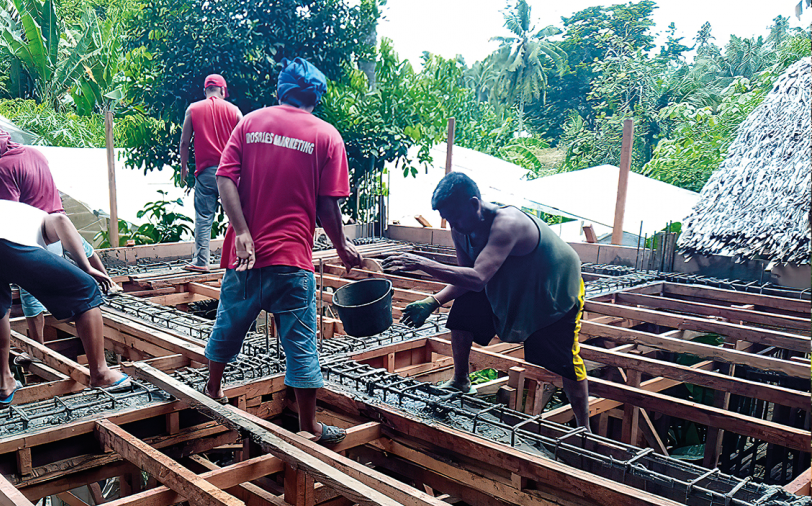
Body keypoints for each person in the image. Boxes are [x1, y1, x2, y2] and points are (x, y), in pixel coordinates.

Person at [205, 58, 363, 445]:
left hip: (244, 259)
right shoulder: (326, 137)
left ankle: (212, 389)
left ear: (280, 91)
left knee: (227, 327)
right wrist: (343, 249)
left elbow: (224, 177)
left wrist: (242, 231)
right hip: (292, 262)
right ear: (316, 98)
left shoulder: (250, 122)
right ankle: (308, 427)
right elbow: (328, 207)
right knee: (301, 345)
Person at [383, 171, 591, 430]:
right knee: (463, 311)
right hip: (511, 283)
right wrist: (433, 301)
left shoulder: (507, 223)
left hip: (552, 292)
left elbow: (478, 277)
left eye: (456, 217)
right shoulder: (462, 230)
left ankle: (585, 428)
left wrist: (421, 263)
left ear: (474, 204)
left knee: (566, 362)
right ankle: (461, 380)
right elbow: (466, 279)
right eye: (447, 219)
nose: (453, 225)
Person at [0, 199, 129, 404]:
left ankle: (5, 383)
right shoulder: (42, 219)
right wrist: (86, 268)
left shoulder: (14, 215)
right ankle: (101, 374)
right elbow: (60, 219)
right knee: (85, 288)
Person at [0, 120, 115, 343]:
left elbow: (9, 211)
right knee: (84, 250)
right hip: (59, 221)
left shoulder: (4, 167)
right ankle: (111, 285)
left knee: (29, 289)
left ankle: (38, 347)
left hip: (36, 230)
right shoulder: (34, 153)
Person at [177, 74, 243, 271]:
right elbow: (244, 142)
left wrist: (184, 166)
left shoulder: (193, 109)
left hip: (206, 173)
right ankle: (238, 259)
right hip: (231, 174)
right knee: (236, 218)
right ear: (223, 91)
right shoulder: (235, 111)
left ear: (205, 90)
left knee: (204, 218)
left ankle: (201, 261)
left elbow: (184, 142)